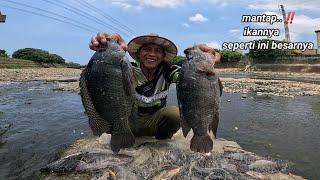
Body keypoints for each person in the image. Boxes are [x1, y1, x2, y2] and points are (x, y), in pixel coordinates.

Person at [89, 32, 221, 139]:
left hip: (155, 122)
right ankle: (122, 136)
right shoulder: (127, 69)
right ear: (138, 54)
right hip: (130, 122)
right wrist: (109, 46)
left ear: (163, 56)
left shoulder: (168, 70)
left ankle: (161, 141)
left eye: (157, 51)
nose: (152, 54)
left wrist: (209, 59)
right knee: (110, 113)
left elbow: (191, 77)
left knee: (173, 114)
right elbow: (109, 70)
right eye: (146, 49)